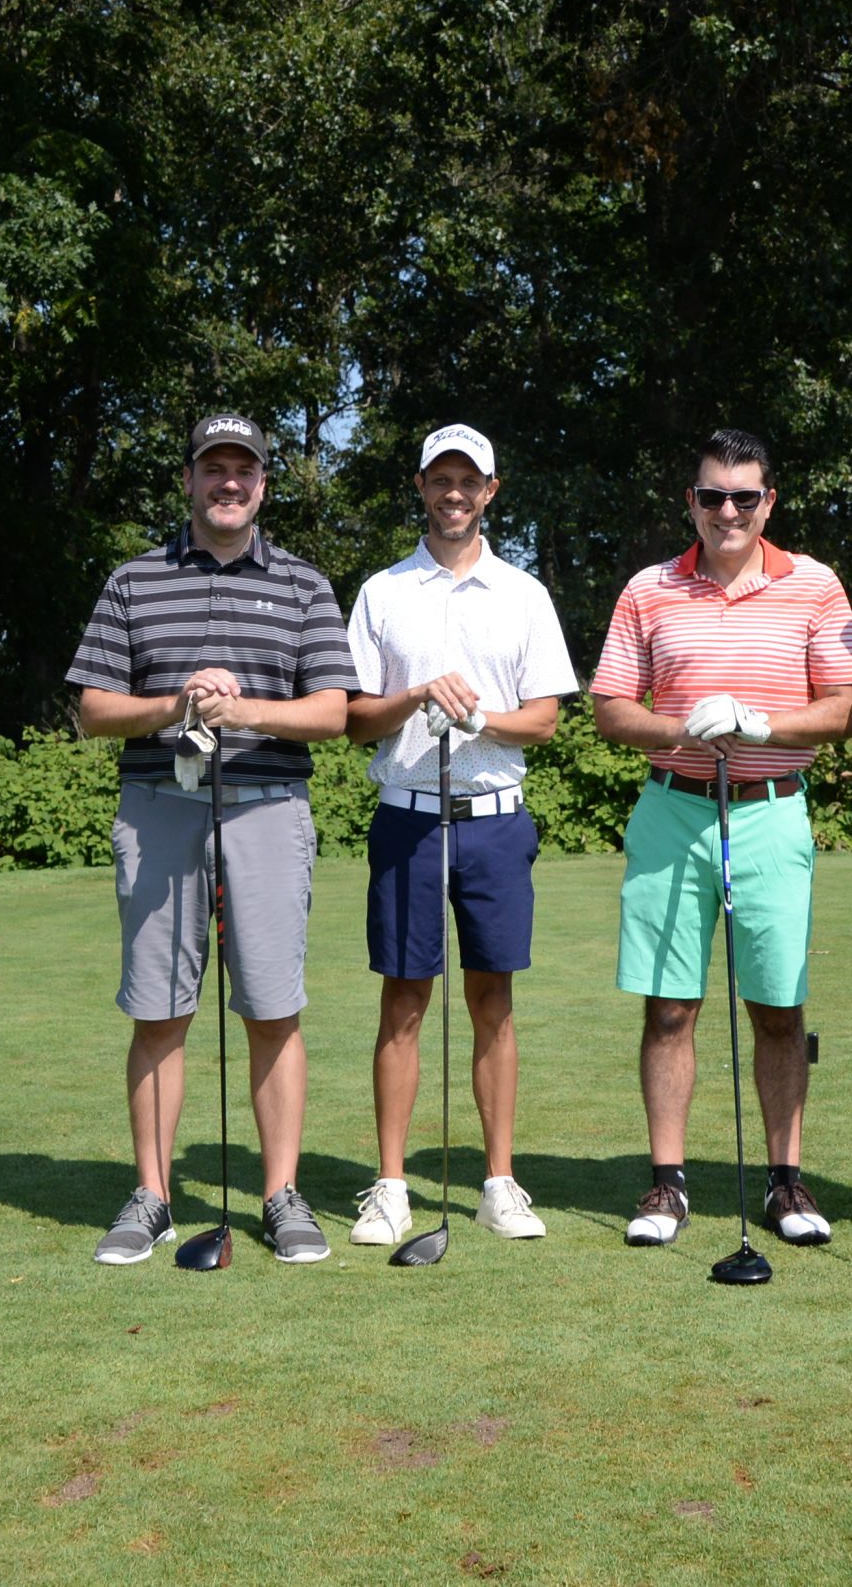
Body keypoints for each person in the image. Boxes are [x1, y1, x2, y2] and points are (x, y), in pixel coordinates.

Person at [68, 412, 357, 1267]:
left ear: (262, 483)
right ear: (190, 478)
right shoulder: (134, 580)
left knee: (272, 1006)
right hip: (160, 801)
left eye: (244, 469)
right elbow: (93, 709)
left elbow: (333, 712)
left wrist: (242, 710)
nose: (229, 482)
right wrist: (178, 704)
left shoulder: (303, 584)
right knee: (159, 1008)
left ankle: (282, 1194)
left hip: (268, 803)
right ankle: (152, 1196)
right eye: (213, 468)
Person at [589, 429, 852, 1249]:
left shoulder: (814, 584)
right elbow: (610, 708)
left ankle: (785, 1180)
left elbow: (843, 709)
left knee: (778, 1006)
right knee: (670, 1005)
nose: (729, 511)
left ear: (768, 502)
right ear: (692, 502)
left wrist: (762, 725)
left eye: (745, 496)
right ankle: (667, 1183)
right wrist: (680, 726)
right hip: (673, 808)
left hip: (770, 809)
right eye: (713, 496)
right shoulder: (649, 588)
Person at [341, 424, 580, 1248]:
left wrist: (480, 717)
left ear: (490, 490)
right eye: (440, 478)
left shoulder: (524, 593)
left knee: (493, 1001)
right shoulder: (382, 592)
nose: (454, 492)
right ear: (421, 486)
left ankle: (499, 1183)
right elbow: (352, 718)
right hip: (407, 815)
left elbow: (544, 720)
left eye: (467, 480)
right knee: (404, 999)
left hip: (495, 821)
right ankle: (391, 1187)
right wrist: (414, 697)